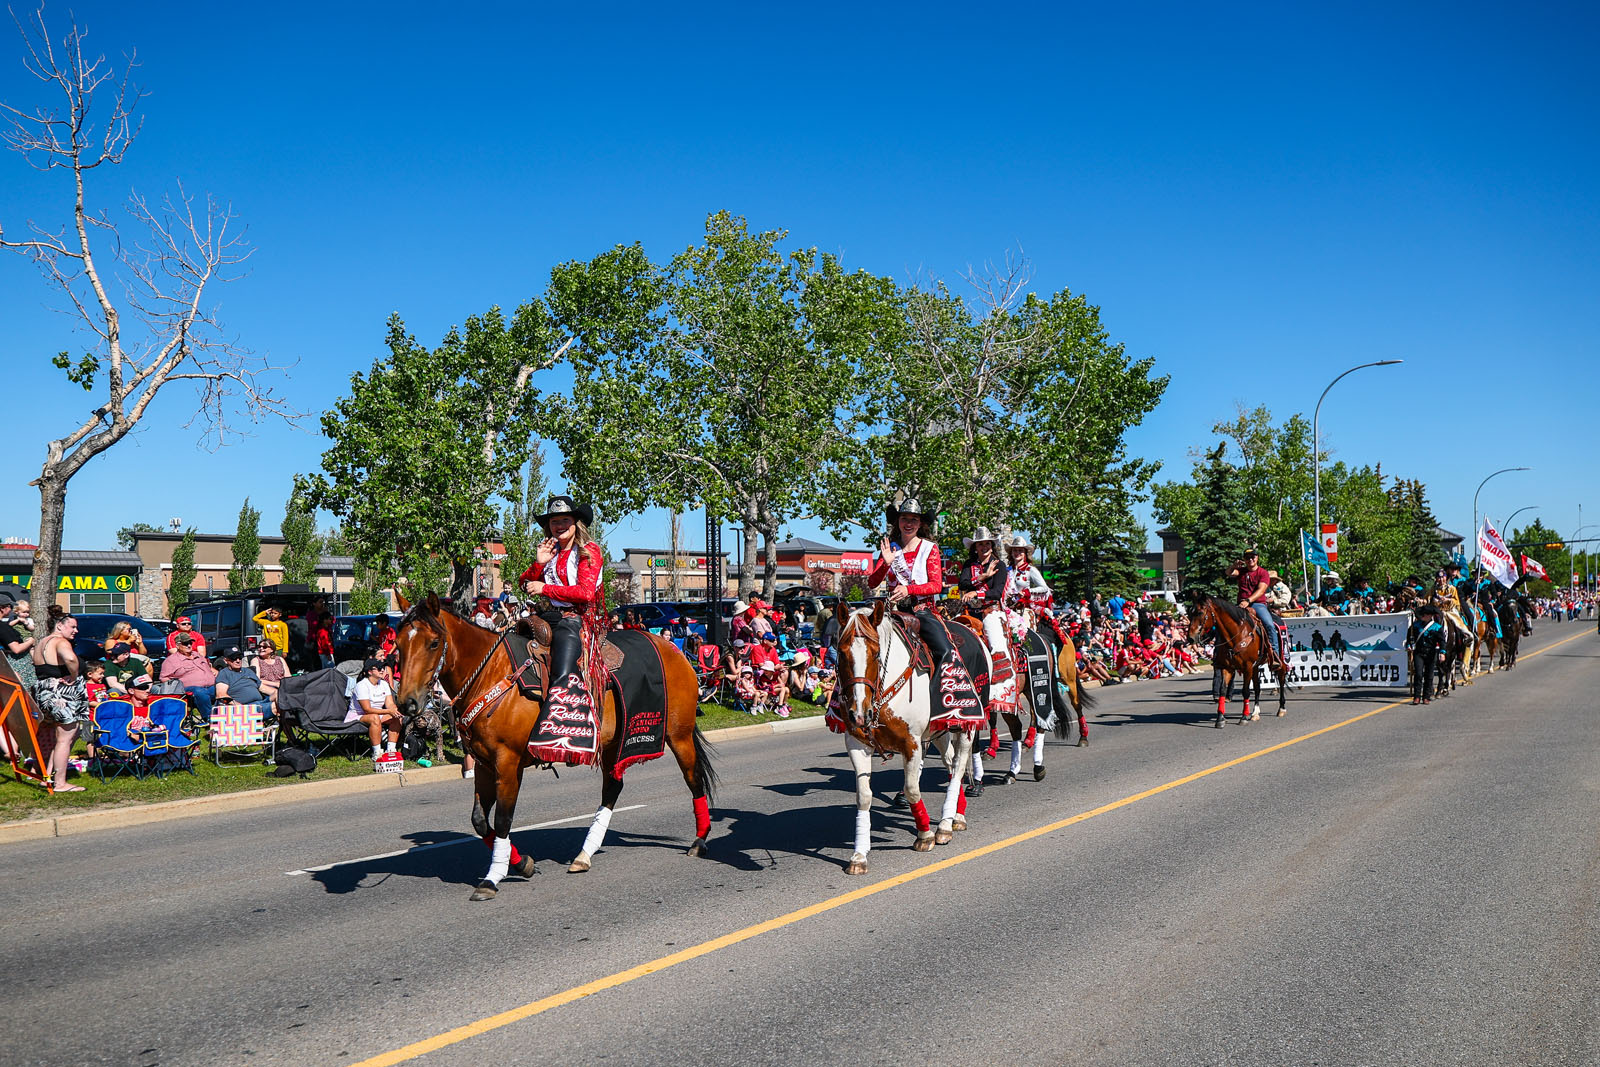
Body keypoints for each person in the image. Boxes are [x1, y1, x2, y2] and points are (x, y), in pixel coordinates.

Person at [866, 497, 983, 722]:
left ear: (920, 524)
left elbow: (936, 585)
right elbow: (872, 582)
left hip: (922, 611)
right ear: (897, 522)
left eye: (913, 519)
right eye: (904, 519)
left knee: (947, 651)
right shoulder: (889, 549)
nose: (908, 523)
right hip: (894, 612)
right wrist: (887, 563)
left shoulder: (929, 548)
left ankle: (946, 706)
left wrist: (909, 589)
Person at [518, 495, 605, 759]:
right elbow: (524, 585)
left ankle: (561, 733)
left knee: (563, 669)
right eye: (554, 521)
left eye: (565, 520)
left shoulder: (589, 550)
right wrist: (539, 564)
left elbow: (585, 593)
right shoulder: (550, 552)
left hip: (578, 618)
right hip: (550, 616)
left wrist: (545, 587)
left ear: (576, 523)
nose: (559, 525)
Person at [32, 606, 87, 792]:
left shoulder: (42, 642)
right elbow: (71, 659)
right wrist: (74, 674)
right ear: (59, 626)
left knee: (63, 736)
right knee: (66, 737)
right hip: (60, 694)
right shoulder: (60, 641)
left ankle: (48, 777)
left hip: (43, 692)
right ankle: (61, 783)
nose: (76, 631)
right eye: (72, 627)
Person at [1226, 548, 1284, 667]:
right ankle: (1224, 653)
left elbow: (1261, 590)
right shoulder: (1241, 571)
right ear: (1244, 560)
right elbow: (1228, 573)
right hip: (1241, 604)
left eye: (1253, 557)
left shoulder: (1263, 573)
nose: (1250, 559)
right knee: (1227, 623)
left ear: (1257, 558)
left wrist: (1248, 600)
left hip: (1257, 604)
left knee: (1269, 625)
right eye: (1247, 558)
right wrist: (1233, 565)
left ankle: (1274, 655)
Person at [347, 658, 402, 766]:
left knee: (397, 717)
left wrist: (394, 710)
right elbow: (367, 709)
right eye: (379, 668)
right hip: (358, 715)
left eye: (383, 668)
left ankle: (391, 750)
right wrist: (388, 711)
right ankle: (377, 753)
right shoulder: (362, 685)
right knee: (374, 718)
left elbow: (390, 703)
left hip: (378, 713)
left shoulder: (384, 684)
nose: (382, 670)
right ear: (370, 672)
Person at [159, 632, 217, 719]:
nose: (189, 645)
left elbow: (208, 668)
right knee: (200, 692)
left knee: (228, 687)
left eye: (190, 643)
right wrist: (177, 687)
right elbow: (163, 678)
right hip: (189, 690)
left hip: (210, 686)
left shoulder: (197, 655)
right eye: (185, 643)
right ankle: (210, 719)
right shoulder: (171, 660)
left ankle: (230, 717)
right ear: (178, 646)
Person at [216, 646, 274, 723]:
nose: (238, 660)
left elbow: (262, 687)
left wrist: (279, 693)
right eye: (234, 658)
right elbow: (221, 695)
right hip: (246, 708)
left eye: (239, 657)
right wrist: (239, 707)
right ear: (226, 660)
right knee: (277, 706)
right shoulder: (224, 673)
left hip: (261, 702)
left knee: (281, 696)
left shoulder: (248, 671)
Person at [0, 593, 37, 690]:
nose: (11, 609)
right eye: (9, 606)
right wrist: (31, 641)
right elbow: (16, 649)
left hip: (7, 665)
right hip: (19, 666)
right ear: (2, 608)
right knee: (25, 694)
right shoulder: (3, 627)